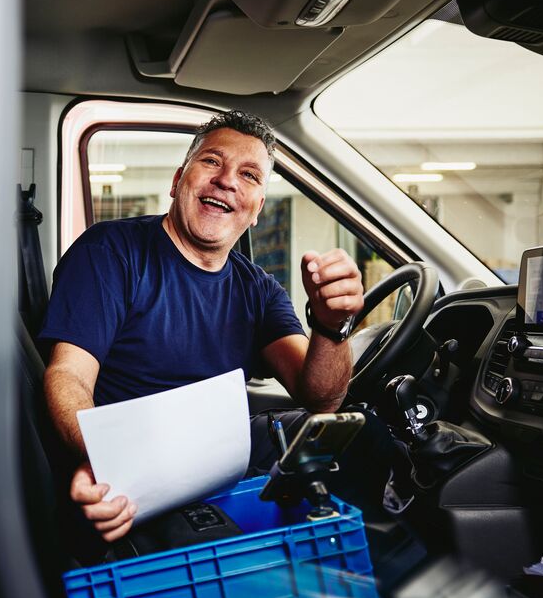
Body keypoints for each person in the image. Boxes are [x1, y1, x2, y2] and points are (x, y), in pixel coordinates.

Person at [40, 110, 380, 546]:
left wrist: (334, 326)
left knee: (358, 434)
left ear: (257, 209)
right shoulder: (110, 252)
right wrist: (106, 462)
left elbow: (321, 398)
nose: (227, 181)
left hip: (222, 457)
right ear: (179, 180)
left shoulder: (257, 289)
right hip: (142, 466)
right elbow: (67, 375)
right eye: (212, 162)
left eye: (250, 175)